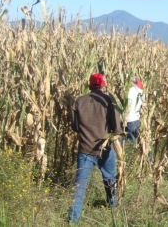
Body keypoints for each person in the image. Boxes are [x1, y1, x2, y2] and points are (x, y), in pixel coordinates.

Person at [68, 73, 122, 224]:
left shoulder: (79, 101)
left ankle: (73, 219)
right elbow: (117, 128)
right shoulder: (109, 101)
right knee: (110, 179)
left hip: (85, 149)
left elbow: (75, 126)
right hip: (105, 149)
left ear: (90, 85)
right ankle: (113, 207)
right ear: (103, 85)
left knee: (79, 185)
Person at [125, 76, 145, 142]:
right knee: (140, 141)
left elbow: (128, 106)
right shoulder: (142, 92)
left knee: (131, 142)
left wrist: (124, 119)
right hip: (138, 120)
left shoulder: (129, 92)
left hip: (130, 120)